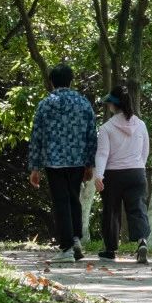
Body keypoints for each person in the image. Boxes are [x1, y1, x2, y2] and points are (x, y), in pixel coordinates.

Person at [28, 63, 98, 263]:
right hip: (77, 161)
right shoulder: (83, 103)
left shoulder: (46, 104)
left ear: (51, 82)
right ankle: (76, 238)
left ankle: (66, 247)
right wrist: (89, 164)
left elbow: (37, 136)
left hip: (53, 160)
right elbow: (91, 135)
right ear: (71, 81)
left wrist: (35, 167)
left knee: (61, 201)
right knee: (73, 198)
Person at [94, 85, 151, 264]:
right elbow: (145, 151)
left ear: (112, 105)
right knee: (137, 208)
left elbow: (102, 154)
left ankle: (110, 249)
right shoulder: (140, 124)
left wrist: (99, 176)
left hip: (113, 175)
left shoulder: (106, 128)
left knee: (111, 210)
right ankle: (142, 242)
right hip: (136, 173)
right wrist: (138, 167)